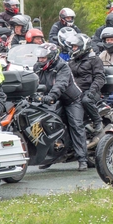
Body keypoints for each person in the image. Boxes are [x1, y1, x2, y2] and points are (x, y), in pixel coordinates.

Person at [34, 43, 88, 171]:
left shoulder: (63, 66)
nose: (40, 60)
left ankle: (82, 159)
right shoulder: (37, 67)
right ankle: (50, 156)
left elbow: (60, 84)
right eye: (39, 58)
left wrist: (51, 96)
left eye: (43, 58)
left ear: (51, 56)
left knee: (75, 124)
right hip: (51, 100)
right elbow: (33, 81)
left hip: (71, 100)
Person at [67, 33, 106, 133]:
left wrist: (92, 92)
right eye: (72, 47)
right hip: (76, 91)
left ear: (83, 46)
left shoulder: (95, 59)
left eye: (75, 47)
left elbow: (100, 78)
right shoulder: (72, 61)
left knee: (86, 100)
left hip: (91, 90)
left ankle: (97, 121)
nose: (73, 49)